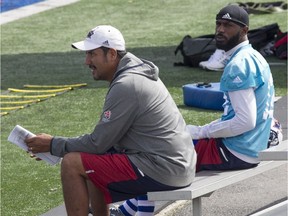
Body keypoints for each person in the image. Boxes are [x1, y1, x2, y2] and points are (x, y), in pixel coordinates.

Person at [111, 4, 275, 216]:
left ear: (244, 31)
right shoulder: (255, 57)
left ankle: (140, 212)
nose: (220, 30)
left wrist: (202, 132)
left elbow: (245, 121)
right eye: (218, 24)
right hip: (250, 147)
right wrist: (203, 129)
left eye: (228, 25)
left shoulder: (239, 64)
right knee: (166, 143)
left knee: (155, 153)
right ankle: (127, 211)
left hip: (237, 151)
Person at [25, 25, 197, 216]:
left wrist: (52, 145)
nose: (87, 61)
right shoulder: (134, 73)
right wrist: (54, 145)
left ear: (112, 54)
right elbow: (101, 144)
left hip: (166, 170)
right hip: (174, 166)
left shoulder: (127, 84)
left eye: (92, 54)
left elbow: (97, 143)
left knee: (72, 163)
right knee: (90, 161)